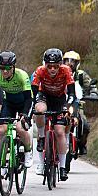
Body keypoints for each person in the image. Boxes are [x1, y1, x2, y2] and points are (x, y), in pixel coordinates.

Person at [32, 48, 77, 180]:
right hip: (44, 95)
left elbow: (72, 94)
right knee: (39, 110)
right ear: (45, 64)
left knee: (59, 131)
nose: (52, 69)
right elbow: (33, 93)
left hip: (60, 99)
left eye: (55, 66)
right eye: (49, 66)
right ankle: (41, 137)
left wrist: (67, 107)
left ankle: (63, 167)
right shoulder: (40, 70)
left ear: (60, 65)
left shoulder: (66, 70)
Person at [0, 51, 34, 173]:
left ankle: (28, 152)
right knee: (2, 130)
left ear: (13, 67)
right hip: (9, 104)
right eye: (2, 68)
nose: (5, 71)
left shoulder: (22, 75)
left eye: (8, 68)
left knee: (20, 128)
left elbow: (29, 98)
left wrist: (25, 115)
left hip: (24, 103)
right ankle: (1, 162)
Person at [63, 50, 97, 155]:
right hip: (62, 103)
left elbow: (91, 85)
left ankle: (82, 145)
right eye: (67, 61)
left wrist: (93, 93)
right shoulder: (60, 73)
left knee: (85, 125)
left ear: (77, 63)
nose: (70, 63)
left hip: (77, 104)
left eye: (73, 61)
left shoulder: (81, 75)